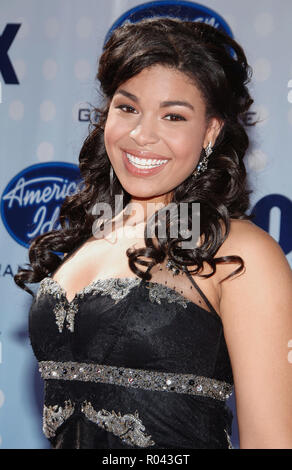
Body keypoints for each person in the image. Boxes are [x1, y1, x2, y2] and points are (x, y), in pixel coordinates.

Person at [15, 18, 292, 449]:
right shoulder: (86, 239)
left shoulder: (240, 251)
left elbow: (273, 441)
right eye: (127, 108)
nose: (142, 135)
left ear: (211, 131)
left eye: (173, 115)